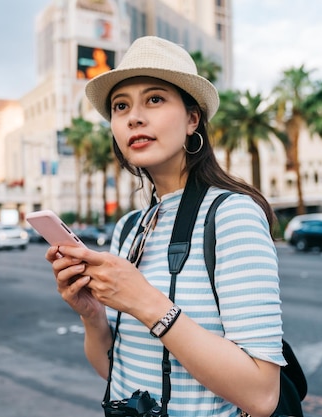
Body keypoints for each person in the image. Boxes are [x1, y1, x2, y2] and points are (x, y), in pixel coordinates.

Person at [46, 36, 285, 417]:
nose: (134, 117)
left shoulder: (230, 214)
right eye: (120, 106)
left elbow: (261, 395)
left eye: (154, 99)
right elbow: (116, 372)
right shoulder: (129, 228)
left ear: (193, 119)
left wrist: (143, 300)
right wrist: (91, 314)